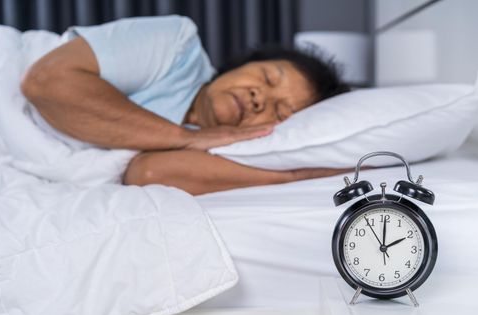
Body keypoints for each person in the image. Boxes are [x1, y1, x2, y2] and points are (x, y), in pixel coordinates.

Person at [21, 15, 350, 195]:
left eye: (279, 112)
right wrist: (184, 136)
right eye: (266, 77)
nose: (258, 98)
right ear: (239, 65)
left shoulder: (223, 149)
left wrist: (303, 175)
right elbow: (45, 82)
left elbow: (147, 173)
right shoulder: (177, 45)